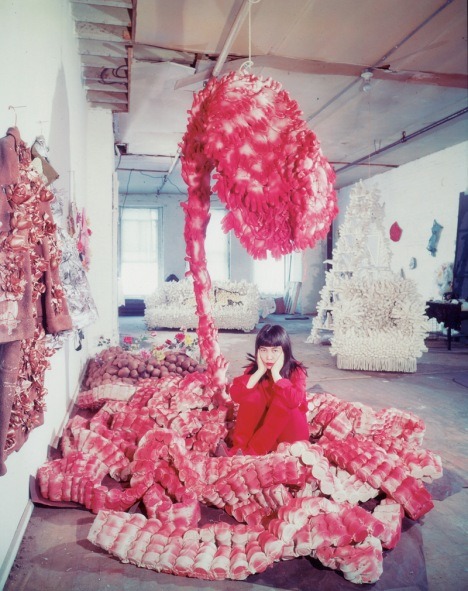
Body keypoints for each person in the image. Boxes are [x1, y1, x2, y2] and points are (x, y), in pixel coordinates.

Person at [228, 324, 309, 455]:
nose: (269, 357)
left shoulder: (296, 371)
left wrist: (277, 375)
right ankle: (240, 449)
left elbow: (294, 400)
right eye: (264, 350)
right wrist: (259, 371)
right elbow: (237, 396)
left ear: (285, 351)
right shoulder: (254, 370)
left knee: (283, 400)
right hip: (265, 434)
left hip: (290, 434)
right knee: (252, 396)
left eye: (275, 351)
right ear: (257, 351)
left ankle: (252, 452)